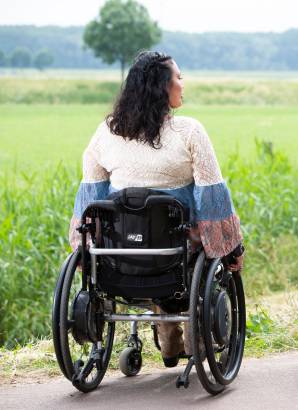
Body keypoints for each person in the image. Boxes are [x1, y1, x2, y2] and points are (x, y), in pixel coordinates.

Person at [68, 51, 244, 367]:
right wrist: (232, 247)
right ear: (163, 87)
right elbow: (213, 198)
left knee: (155, 236)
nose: (183, 83)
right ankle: (194, 338)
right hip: (176, 251)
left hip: (120, 255)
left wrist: (84, 247)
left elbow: (90, 198)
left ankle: (169, 340)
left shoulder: (106, 133)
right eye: (179, 77)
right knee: (197, 245)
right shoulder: (189, 131)